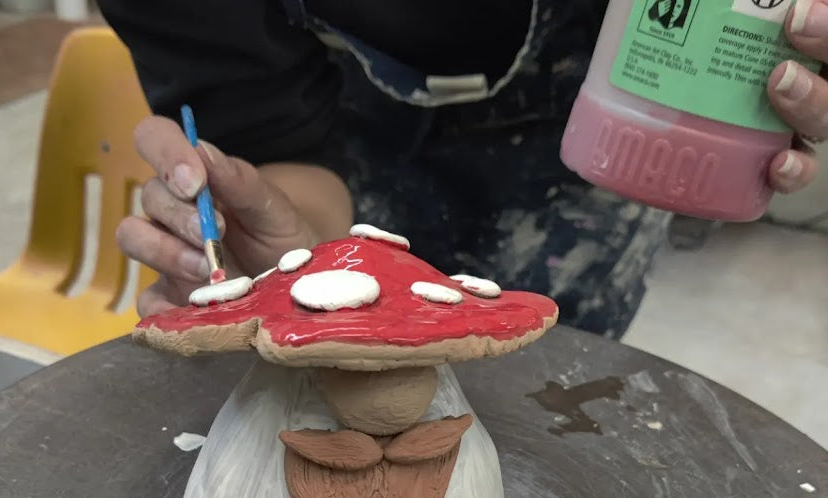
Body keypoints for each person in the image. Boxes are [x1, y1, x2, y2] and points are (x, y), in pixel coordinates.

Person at [99, 0, 825, 337]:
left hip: (611, 103)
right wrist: (285, 248)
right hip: (339, 119)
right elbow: (264, 125)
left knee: (552, 399)